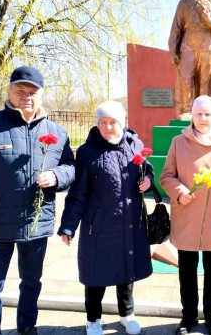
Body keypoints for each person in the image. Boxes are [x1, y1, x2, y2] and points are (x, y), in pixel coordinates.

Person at [0, 66, 76, 335]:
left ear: (41, 95)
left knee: (32, 283)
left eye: (33, 92)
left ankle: (27, 327)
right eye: (20, 90)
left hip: (36, 222)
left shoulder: (57, 132)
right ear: (9, 91)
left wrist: (57, 175)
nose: (27, 96)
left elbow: (70, 166)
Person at [57, 101, 153, 335]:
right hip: (98, 225)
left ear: (122, 123)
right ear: (97, 124)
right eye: (103, 123)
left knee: (126, 271)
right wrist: (68, 226)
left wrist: (148, 180)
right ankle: (93, 319)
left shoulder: (134, 144)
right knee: (96, 275)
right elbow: (78, 191)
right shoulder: (88, 152)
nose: (108, 127)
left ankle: (127, 314)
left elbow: (146, 169)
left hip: (129, 222)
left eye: (113, 122)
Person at [159, 95, 211, 335]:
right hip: (186, 214)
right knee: (186, 271)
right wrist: (179, 192)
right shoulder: (178, 142)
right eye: (199, 113)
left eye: (208, 114)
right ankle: (187, 318)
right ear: (192, 116)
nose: (203, 118)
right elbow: (166, 176)